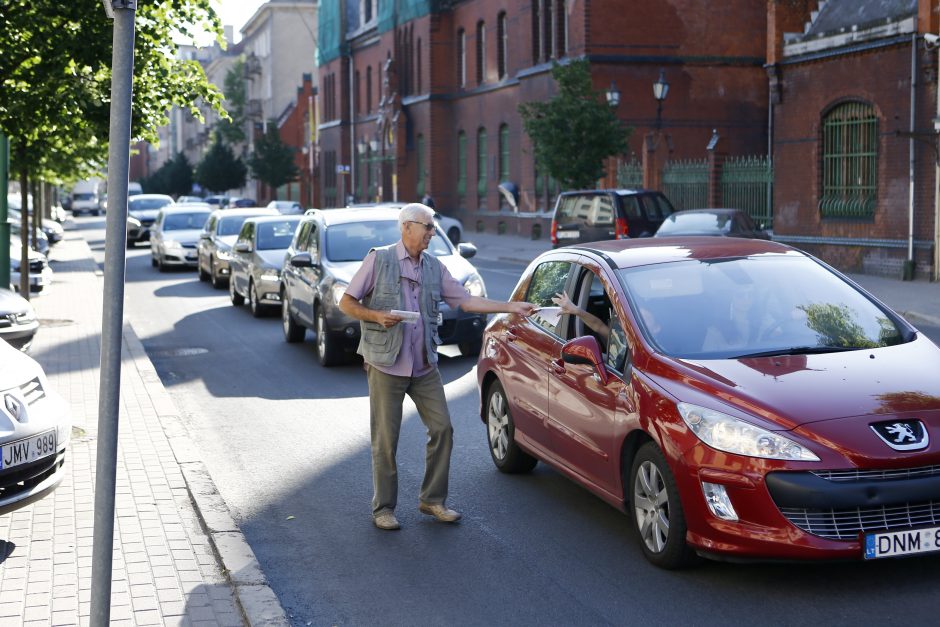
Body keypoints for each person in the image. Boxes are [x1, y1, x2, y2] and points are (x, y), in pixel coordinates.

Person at [339, 203, 537, 531]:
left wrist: (511, 307)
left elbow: (466, 300)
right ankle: (383, 508)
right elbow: (346, 302)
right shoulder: (380, 259)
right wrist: (377, 316)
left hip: (424, 363)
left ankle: (432, 500)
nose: (433, 233)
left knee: (443, 428)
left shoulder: (434, 266)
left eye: (432, 228)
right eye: (428, 227)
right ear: (407, 228)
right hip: (386, 364)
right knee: (386, 439)